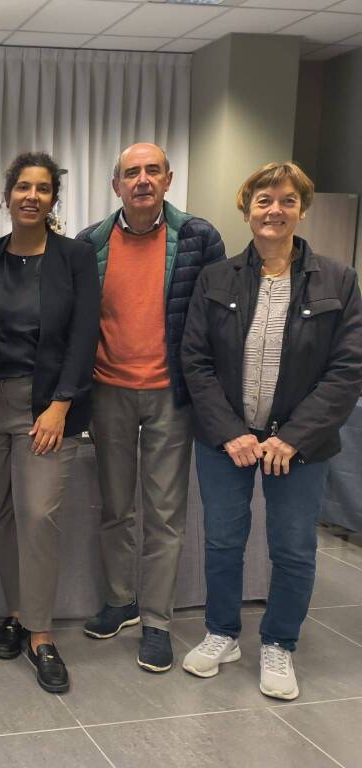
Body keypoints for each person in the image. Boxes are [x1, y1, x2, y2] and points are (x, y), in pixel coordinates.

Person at [180, 162, 362, 700]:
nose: (274, 210)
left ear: (301, 210)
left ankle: (279, 643)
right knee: (222, 542)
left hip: (299, 446)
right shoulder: (216, 278)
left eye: (286, 201)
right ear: (247, 210)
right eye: (264, 200)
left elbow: (347, 369)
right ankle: (222, 633)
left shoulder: (339, 280)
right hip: (227, 441)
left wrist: (293, 436)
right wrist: (230, 432)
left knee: (294, 549)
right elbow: (196, 362)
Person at [76, 142, 225, 673]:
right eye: (132, 172)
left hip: (170, 394)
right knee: (116, 508)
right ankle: (122, 602)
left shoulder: (200, 238)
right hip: (108, 391)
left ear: (168, 179)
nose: (142, 180)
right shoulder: (91, 242)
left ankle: (158, 622)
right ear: (116, 184)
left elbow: (216, 319)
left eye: (152, 171)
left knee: (165, 514)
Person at [0, 152, 99, 693]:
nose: (32, 196)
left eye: (43, 188)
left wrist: (61, 404)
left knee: (38, 515)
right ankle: (17, 612)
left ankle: (41, 634)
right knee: (0, 510)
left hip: (46, 406)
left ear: (53, 199)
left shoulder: (75, 257)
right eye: (23, 187)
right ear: (7, 195)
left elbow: (84, 335)